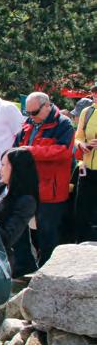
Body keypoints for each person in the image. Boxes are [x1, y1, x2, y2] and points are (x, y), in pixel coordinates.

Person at [12, 91, 75, 266]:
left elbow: (63, 152)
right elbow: (17, 145)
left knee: (49, 232)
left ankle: (48, 270)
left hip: (51, 190)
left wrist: (31, 151)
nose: (32, 117)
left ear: (47, 105)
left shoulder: (64, 125)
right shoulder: (29, 123)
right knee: (27, 229)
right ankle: (30, 266)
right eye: (28, 113)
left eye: (35, 112)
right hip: (29, 186)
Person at [0, 148, 39, 277]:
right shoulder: (0, 187)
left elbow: (8, 237)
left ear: (17, 168)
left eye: (3, 165)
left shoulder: (26, 201)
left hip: (1, 263)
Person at [73, 87, 97, 242]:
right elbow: (78, 137)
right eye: (94, 91)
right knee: (82, 213)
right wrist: (81, 144)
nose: (95, 94)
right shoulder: (87, 112)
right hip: (87, 170)